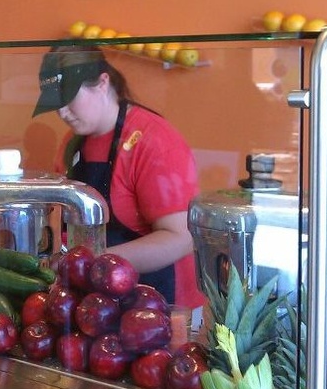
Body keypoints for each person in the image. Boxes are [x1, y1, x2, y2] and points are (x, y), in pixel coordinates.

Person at [33, 45, 205, 310]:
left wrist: (94, 261)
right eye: (55, 103)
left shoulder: (154, 140)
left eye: (68, 99)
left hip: (161, 300)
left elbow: (181, 238)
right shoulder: (72, 142)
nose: (62, 112)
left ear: (102, 83)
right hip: (100, 298)